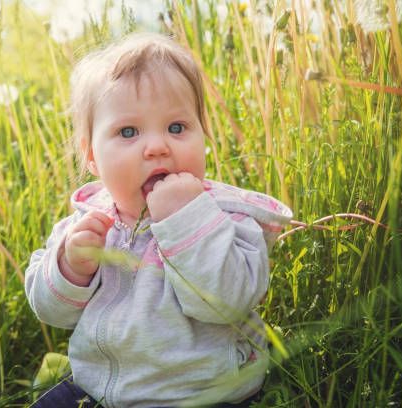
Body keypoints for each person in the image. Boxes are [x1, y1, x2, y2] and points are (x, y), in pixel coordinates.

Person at [25, 32, 292, 408]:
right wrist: (70, 267)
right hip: (99, 388)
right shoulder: (88, 223)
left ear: (203, 136)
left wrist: (186, 219)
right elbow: (51, 312)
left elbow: (227, 304)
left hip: (204, 394)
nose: (157, 147)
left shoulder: (226, 219)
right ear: (92, 158)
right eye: (128, 132)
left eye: (177, 128)